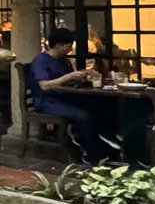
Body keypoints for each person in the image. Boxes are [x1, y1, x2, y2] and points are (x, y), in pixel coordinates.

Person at [28, 29, 108, 162]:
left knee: (98, 105)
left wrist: (83, 76)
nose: (70, 50)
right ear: (58, 45)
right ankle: (89, 153)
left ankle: (103, 144)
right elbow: (45, 85)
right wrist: (69, 76)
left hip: (65, 96)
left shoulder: (63, 60)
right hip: (47, 101)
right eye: (68, 46)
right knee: (83, 116)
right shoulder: (41, 61)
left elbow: (68, 80)